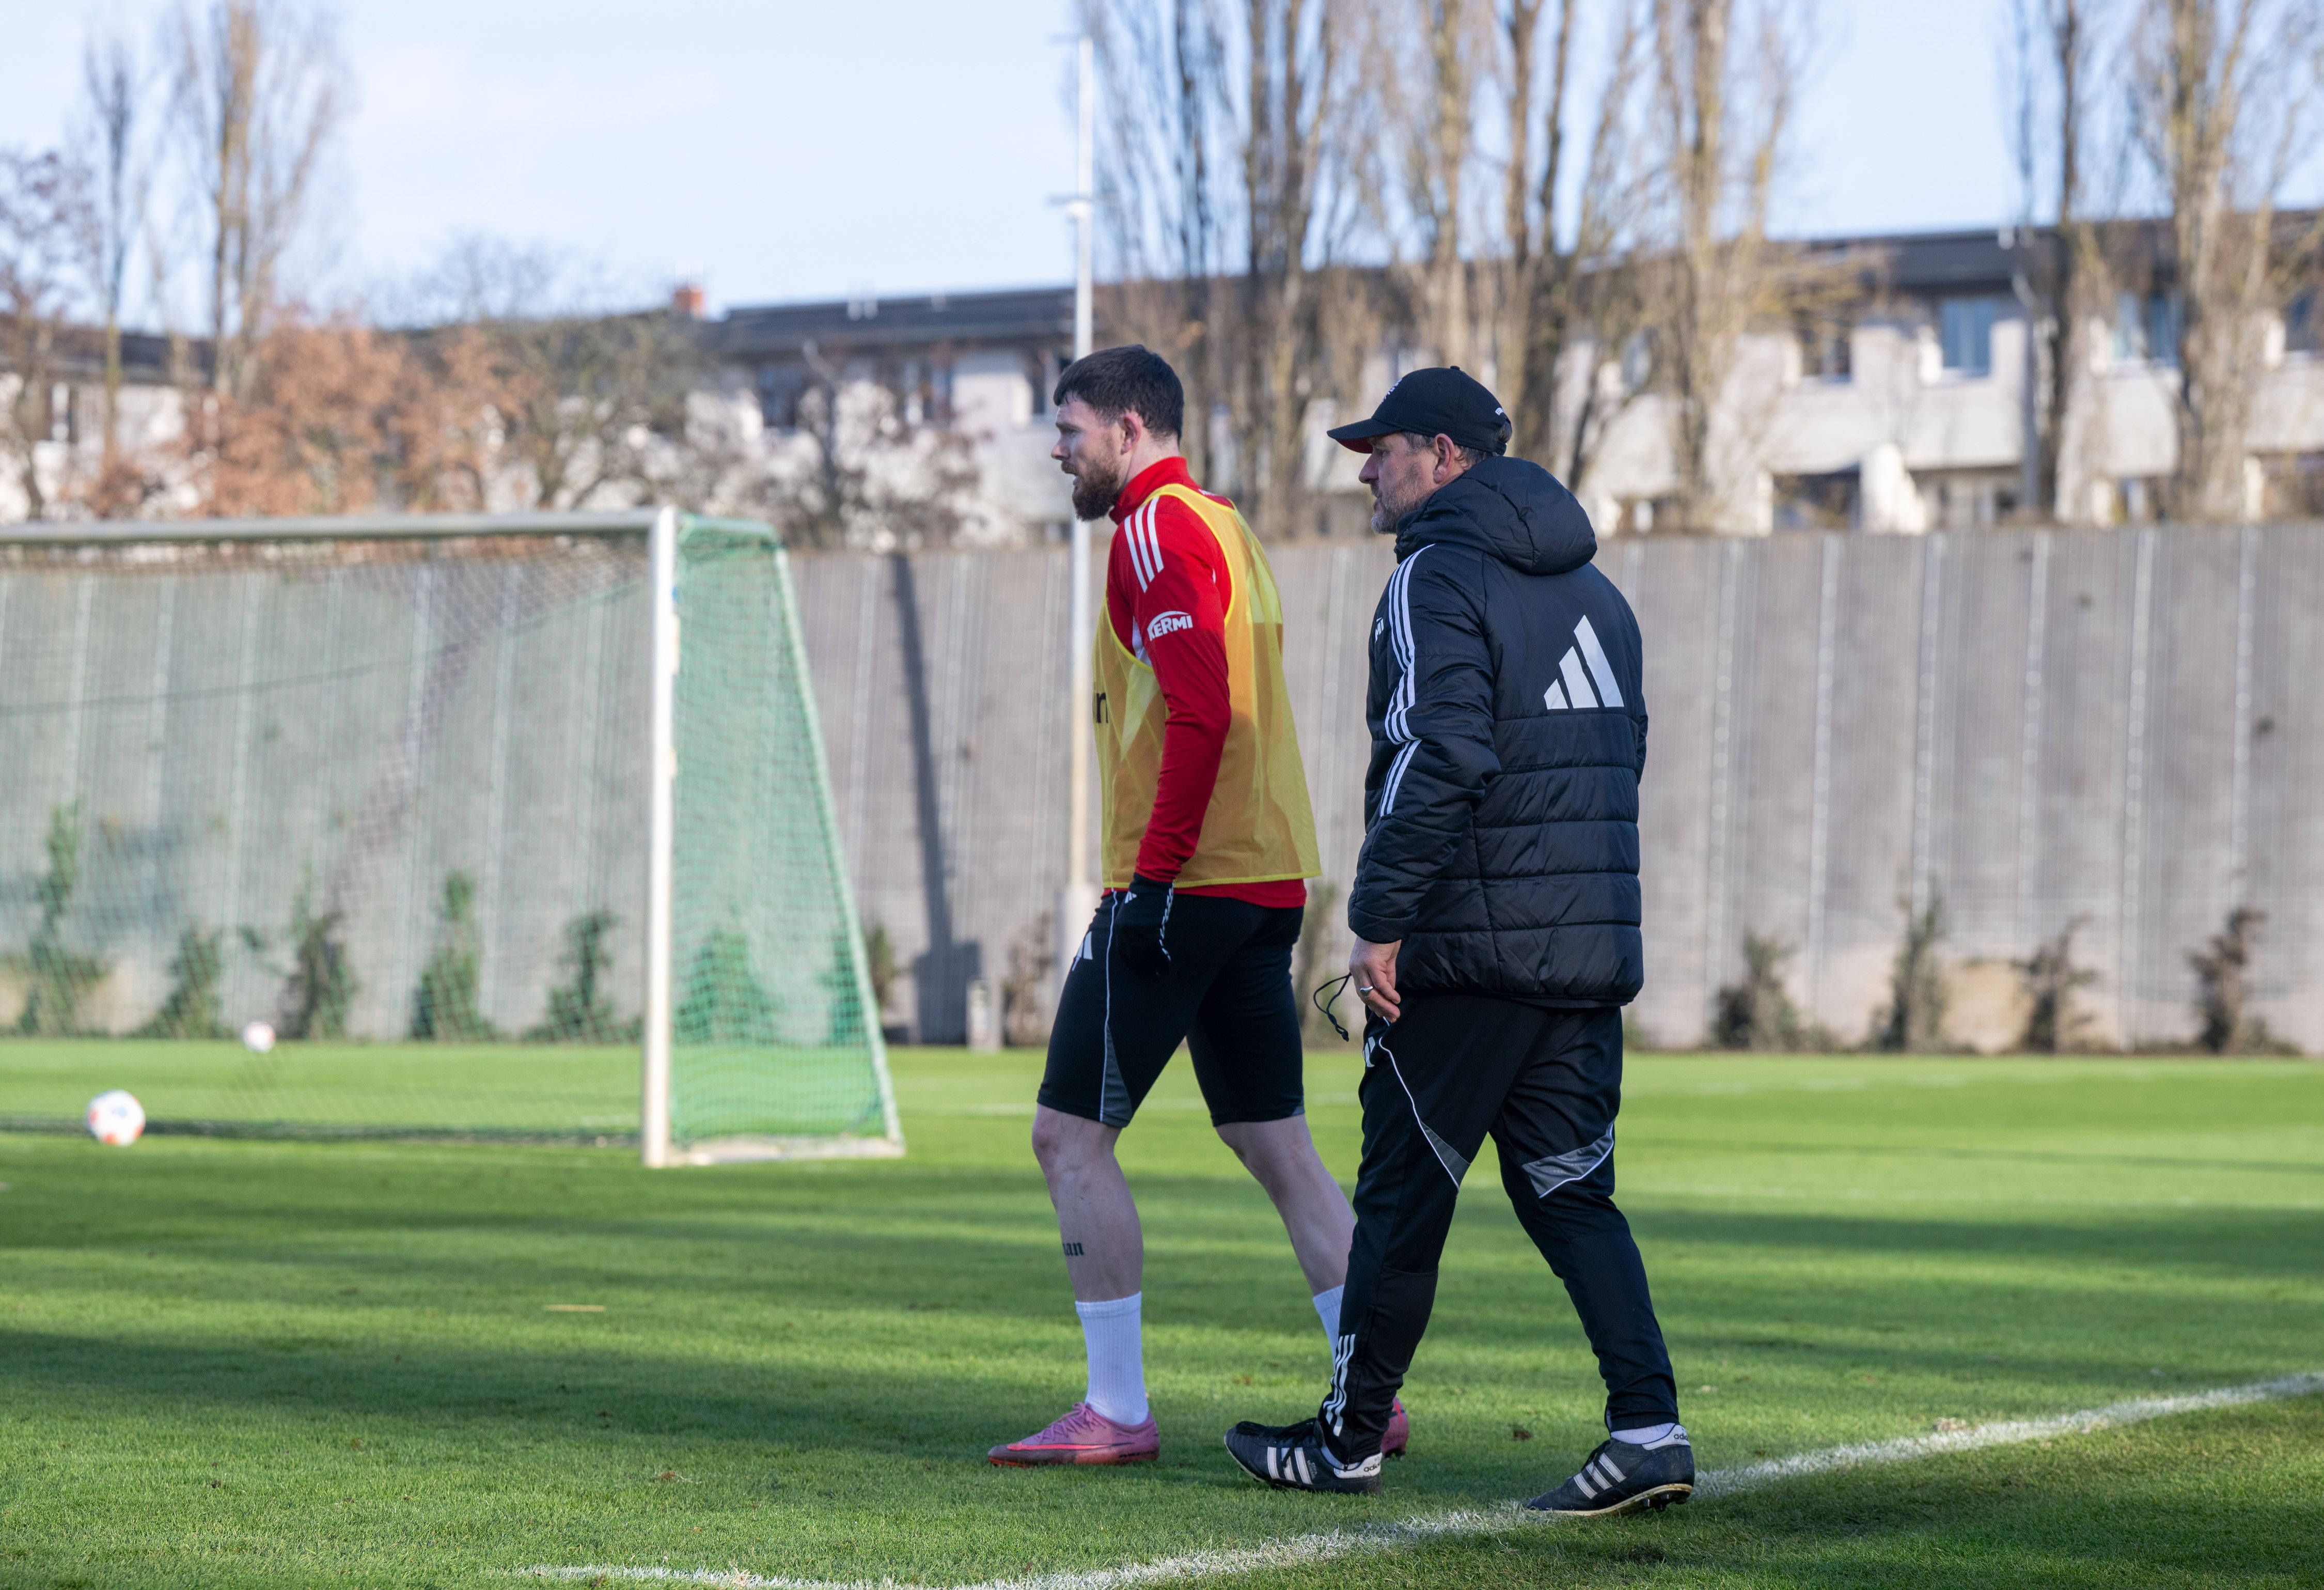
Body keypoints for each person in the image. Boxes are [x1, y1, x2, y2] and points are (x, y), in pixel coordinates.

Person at [1221, 367, 1687, 1514]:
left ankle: (1347, 1441)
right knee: (1574, 1199)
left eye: (1380, 450)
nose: (1366, 471)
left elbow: (1442, 756)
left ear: (1444, 454)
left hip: (1465, 954)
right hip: (1582, 953)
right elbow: (1621, 756)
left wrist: (1378, 920)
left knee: (1400, 1206)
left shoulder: (1435, 576)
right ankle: (1650, 1432)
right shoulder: (1598, 591)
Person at [989, 345, 1408, 1467]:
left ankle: (1117, 1411)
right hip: (1263, 881)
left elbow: (1203, 713)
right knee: (1276, 1142)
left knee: (1067, 1138)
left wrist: (1156, 880)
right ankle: (1371, 1393)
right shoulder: (1222, 524)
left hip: (1190, 886)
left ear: (1130, 430)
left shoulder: (1154, 529)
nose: (1058, 449)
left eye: (1070, 430)